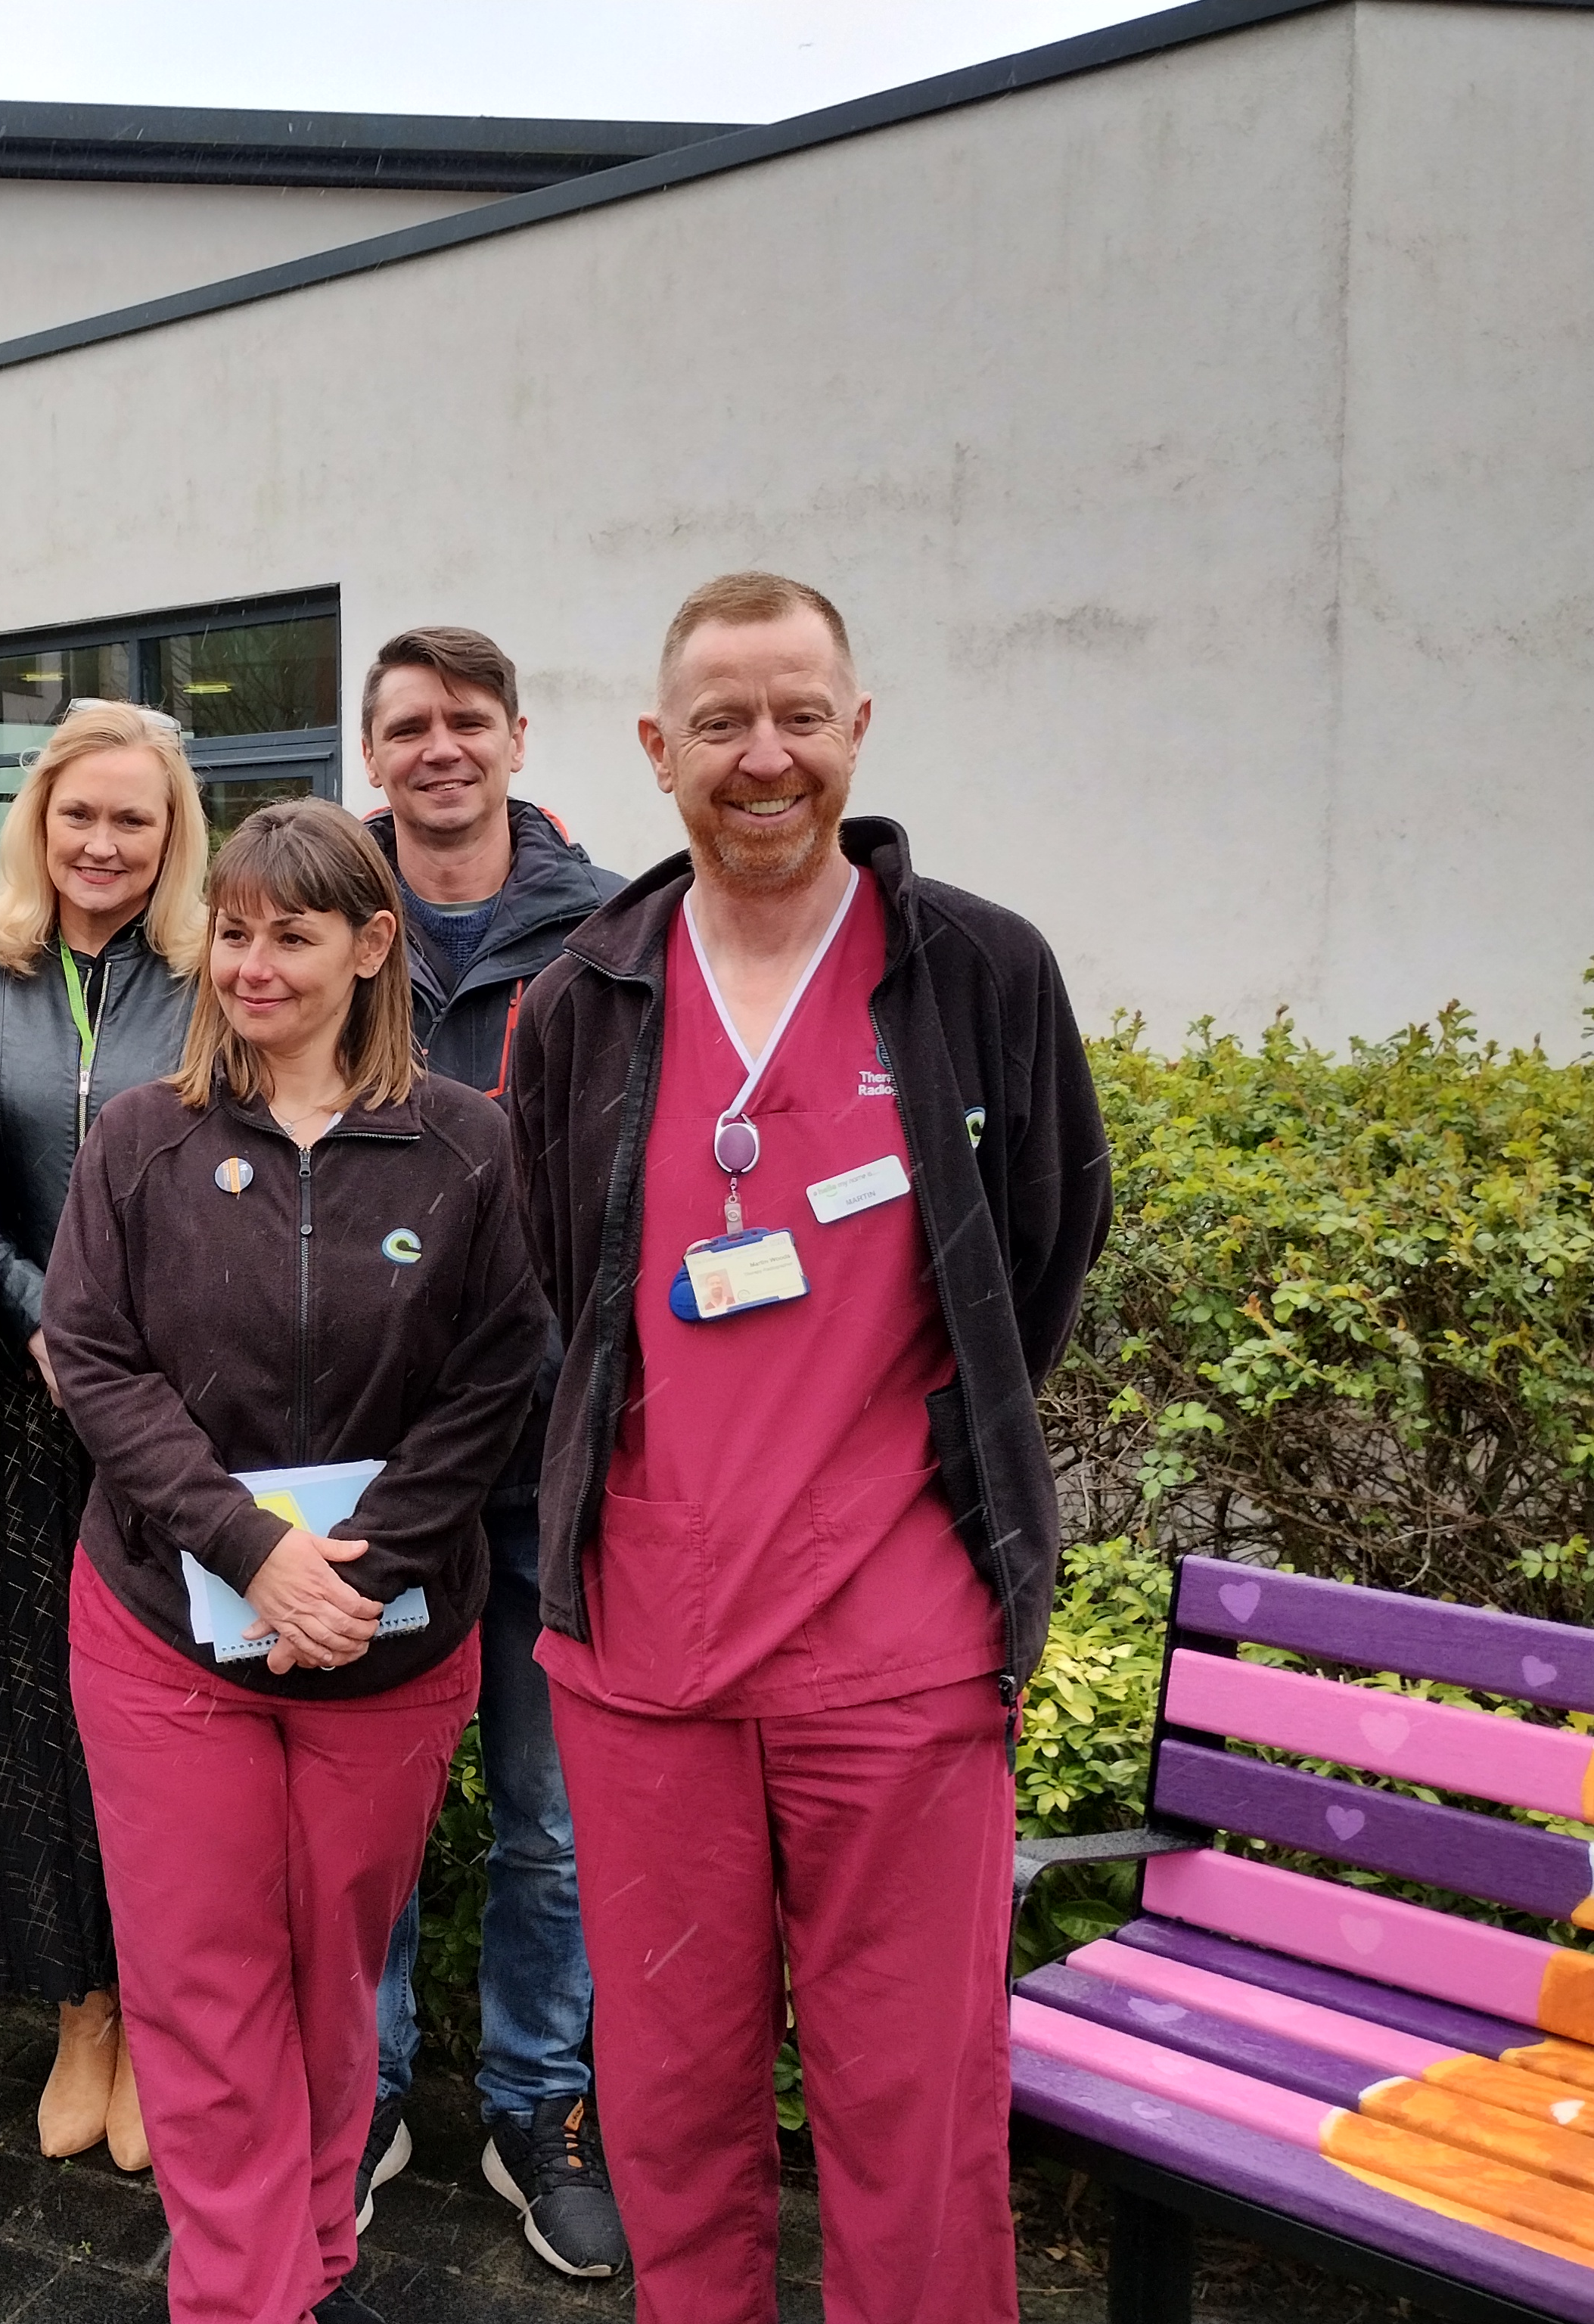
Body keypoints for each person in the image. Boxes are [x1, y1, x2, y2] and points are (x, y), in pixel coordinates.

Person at [507, 573, 1111, 2324]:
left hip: (899, 1656)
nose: (762, 757)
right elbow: (569, 1276)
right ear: (655, 749)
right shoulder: (590, 996)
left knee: (912, 2116)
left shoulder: (977, 970)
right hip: (644, 1655)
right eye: (719, 723)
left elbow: (1044, 1241)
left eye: (797, 715)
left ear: (858, 726)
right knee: (673, 2115)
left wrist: (926, 1468)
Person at [45, 797, 550, 2324]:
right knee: (201, 1991)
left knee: (337, 1980)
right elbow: (91, 1353)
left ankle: (314, 2261)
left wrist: (367, 1567)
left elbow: (503, 1367)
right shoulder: (141, 1137)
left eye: (294, 934)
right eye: (234, 933)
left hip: (384, 1644)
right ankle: (241, 2296)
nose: (252, 966)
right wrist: (251, 1552)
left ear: (373, 944)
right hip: (161, 1632)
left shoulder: (468, 1143)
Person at [354, 627, 626, 2276]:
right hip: (367, 1470)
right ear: (370, 751)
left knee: (552, 1820)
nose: (439, 749)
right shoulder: (322, 908)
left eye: (467, 721)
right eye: (408, 727)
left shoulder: (607, 936)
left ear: (518, 737)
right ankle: (366, 2090)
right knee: (368, 1806)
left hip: (552, 1464)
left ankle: (541, 2103)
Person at [0, 700, 204, 2169]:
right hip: (25, 1405)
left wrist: (133, 1345)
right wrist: (46, 1320)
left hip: (175, 1408)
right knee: (38, 1724)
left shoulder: (215, 975)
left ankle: (161, 2016)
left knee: (164, 1725)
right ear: (39, 824)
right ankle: (82, 2013)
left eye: (133, 820)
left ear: (173, 839)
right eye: (77, 815)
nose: (102, 844)